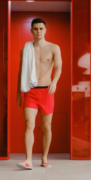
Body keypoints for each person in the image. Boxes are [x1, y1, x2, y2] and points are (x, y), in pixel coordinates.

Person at [16, 18, 62, 170]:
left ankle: (44, 158)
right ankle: (28, 159)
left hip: (47, 91)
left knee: (46, 126)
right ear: (31, 30)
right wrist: (18, 93)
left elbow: (59, 68)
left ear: (45, 30)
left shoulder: (54, 48)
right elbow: (21, 72)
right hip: (30, 91)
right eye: (35, 29)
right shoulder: (26, 49)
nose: (38, 32)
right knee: (29, 124)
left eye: (41, 28)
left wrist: (54, 82)